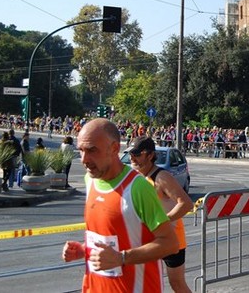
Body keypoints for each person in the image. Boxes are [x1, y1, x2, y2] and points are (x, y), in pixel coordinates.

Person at [62, 118, 179, 292]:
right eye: (81, 151)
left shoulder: (138, 188)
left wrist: (122, 258)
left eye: (92, 150)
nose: (84, 159)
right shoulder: (90, 180)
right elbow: (111, 238)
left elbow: (170, 244)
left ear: (114, 148)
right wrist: (84, 250)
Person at [128, 136, 194, 293]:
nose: (132, 158)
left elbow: (186, 204)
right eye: (131, 154)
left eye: (137, 154)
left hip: (171, 237)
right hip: (148, 239)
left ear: (150, 155)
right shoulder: (136, 177)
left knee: (176, 283)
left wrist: (163, 222)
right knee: (144, 281)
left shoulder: (162, 177)